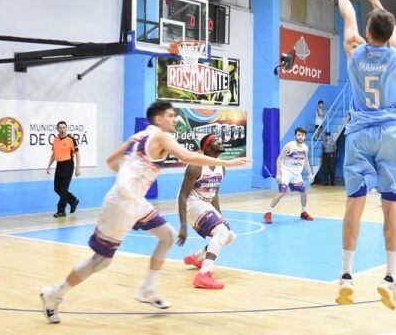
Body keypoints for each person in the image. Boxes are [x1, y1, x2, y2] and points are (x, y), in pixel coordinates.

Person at [39, 101, 248, 323]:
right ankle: (54, 295)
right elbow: (187, 157)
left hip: (134, 200)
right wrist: (230, 162)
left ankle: (147, 289)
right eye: (169, 115)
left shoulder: (137, 137)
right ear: (158, 120)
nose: (174, 119)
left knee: (167, 236)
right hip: (121, 204)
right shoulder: (162, 136)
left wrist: (129, 176)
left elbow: (111, 161)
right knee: (101, 261)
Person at [322, 0, 396, 310]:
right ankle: (390, 277)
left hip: (359, 133)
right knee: (391, 206)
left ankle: (346, 275)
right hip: (390, 133)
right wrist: (377, 1)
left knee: (354, 204)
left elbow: (347, 16)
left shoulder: (354, 49)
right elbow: (394, 33)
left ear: (368, 34)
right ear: (388, 36)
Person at [180, 134, 235, 290]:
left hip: (205, 203)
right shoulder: (195, 166)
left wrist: (219, 215)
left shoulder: (221, 167)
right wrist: (183, 225)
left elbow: (214, 193)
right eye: (217, 141)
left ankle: (197, 257)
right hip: (192, 204)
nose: (221, 142)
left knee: (230, 236)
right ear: (208, 148)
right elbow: (182, 196)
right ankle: (203, 275)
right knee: (222, 232)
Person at [264, 127, 315, 224]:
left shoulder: (305, 148)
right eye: (299, 135)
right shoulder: (289, 146)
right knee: (282, 192)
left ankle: (303, 212)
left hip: (296, 174)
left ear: (305, 136)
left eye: (302, 135)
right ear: (296, 135)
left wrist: (310, 174)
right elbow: (279, 159)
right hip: (286, 172)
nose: (300, 137)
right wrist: (278, 173)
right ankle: (268, 213)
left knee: (304, 192)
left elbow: (306, 161)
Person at [46, 121, 81, 218]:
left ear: (66, 128)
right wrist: (49, 165)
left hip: (68, 165)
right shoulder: (56, 140)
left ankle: (61, 211)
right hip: (59, 165)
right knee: (57, 189)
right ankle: (73, 200)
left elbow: (77, 153)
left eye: (64, 127)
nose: (62, 129)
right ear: (57, 129)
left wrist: (77, 168)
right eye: (60, 127)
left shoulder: (71, 139)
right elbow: (54, 154)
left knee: (64, 189)